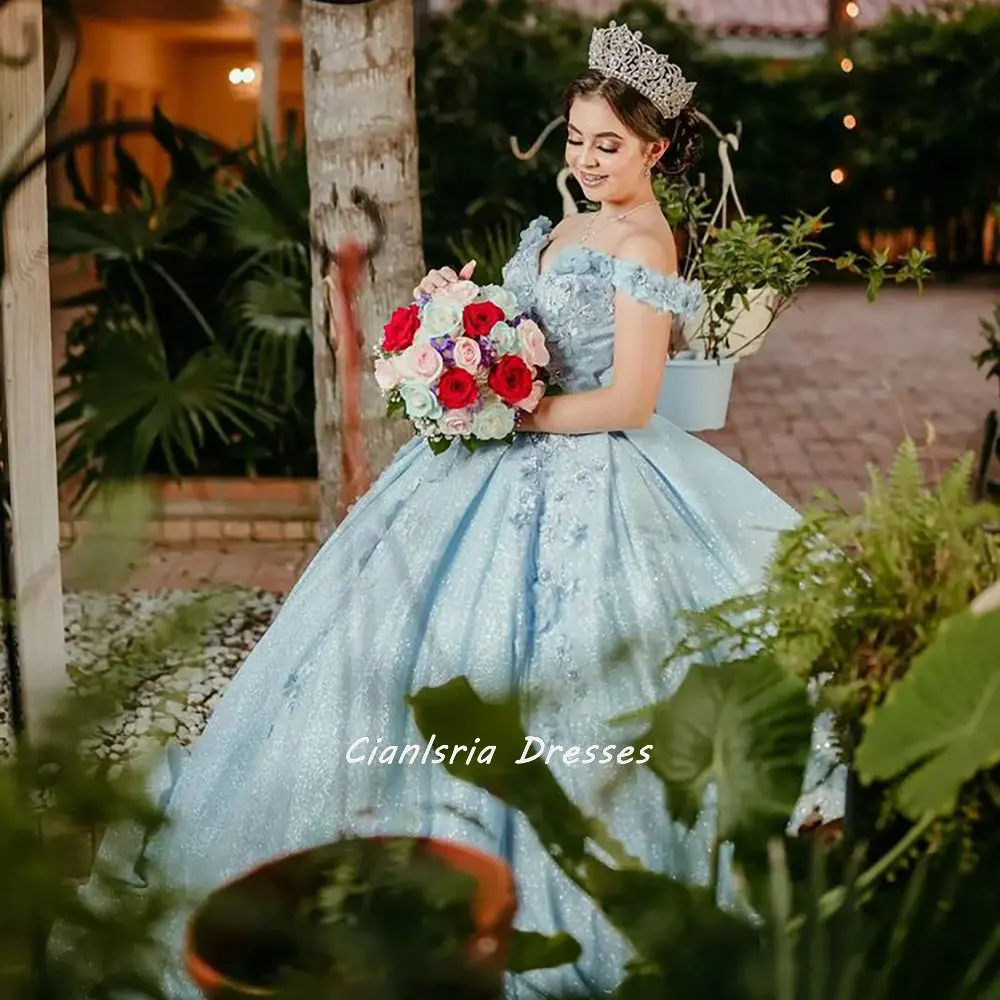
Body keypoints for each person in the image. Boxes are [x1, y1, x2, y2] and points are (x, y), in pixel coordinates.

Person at [83, 21, 844, 999]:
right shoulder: (562, 222)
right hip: (494, 453)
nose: (585, 160)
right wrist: (466, 324)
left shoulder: (646, 237)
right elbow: (528, 329)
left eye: (606, 144)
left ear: (655, 148)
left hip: (588, 466)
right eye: (574, 140)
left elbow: (631, 401)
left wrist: (512, 408)